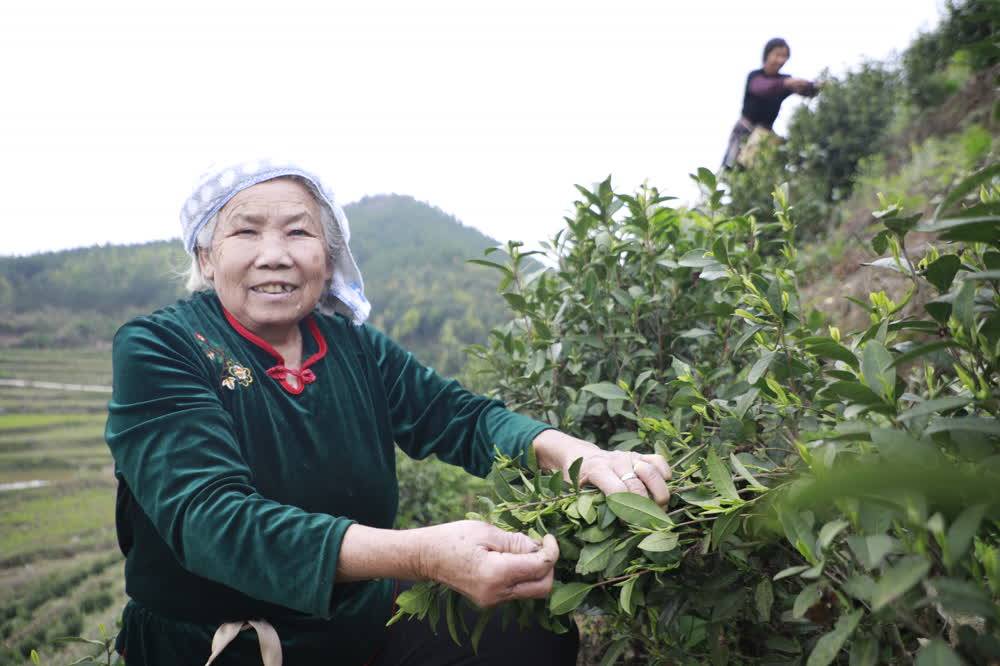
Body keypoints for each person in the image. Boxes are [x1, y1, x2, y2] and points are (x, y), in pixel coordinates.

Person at [105, 159, 673, 665]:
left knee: (526, 630)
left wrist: (576, 453)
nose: (274, 254)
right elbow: (212, 521)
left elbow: (460, 417)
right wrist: (423, 554)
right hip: (216, 647)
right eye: (245, 231)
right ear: (207, 256)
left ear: (327, 260)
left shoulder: (353, 346)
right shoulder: (162, 346)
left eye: (298, 231)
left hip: (357, 626)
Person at [722, 37, 821, 169]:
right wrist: (787, 83)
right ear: (767, 55)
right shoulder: (755, 76)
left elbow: (805, 90)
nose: (781, 60)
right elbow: (762, 88)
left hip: (765, 137)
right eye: (778, 55)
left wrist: (813, 86)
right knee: (733, 168)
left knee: (776, 162)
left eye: (785, 57)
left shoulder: (785, 80)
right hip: (745, 133)